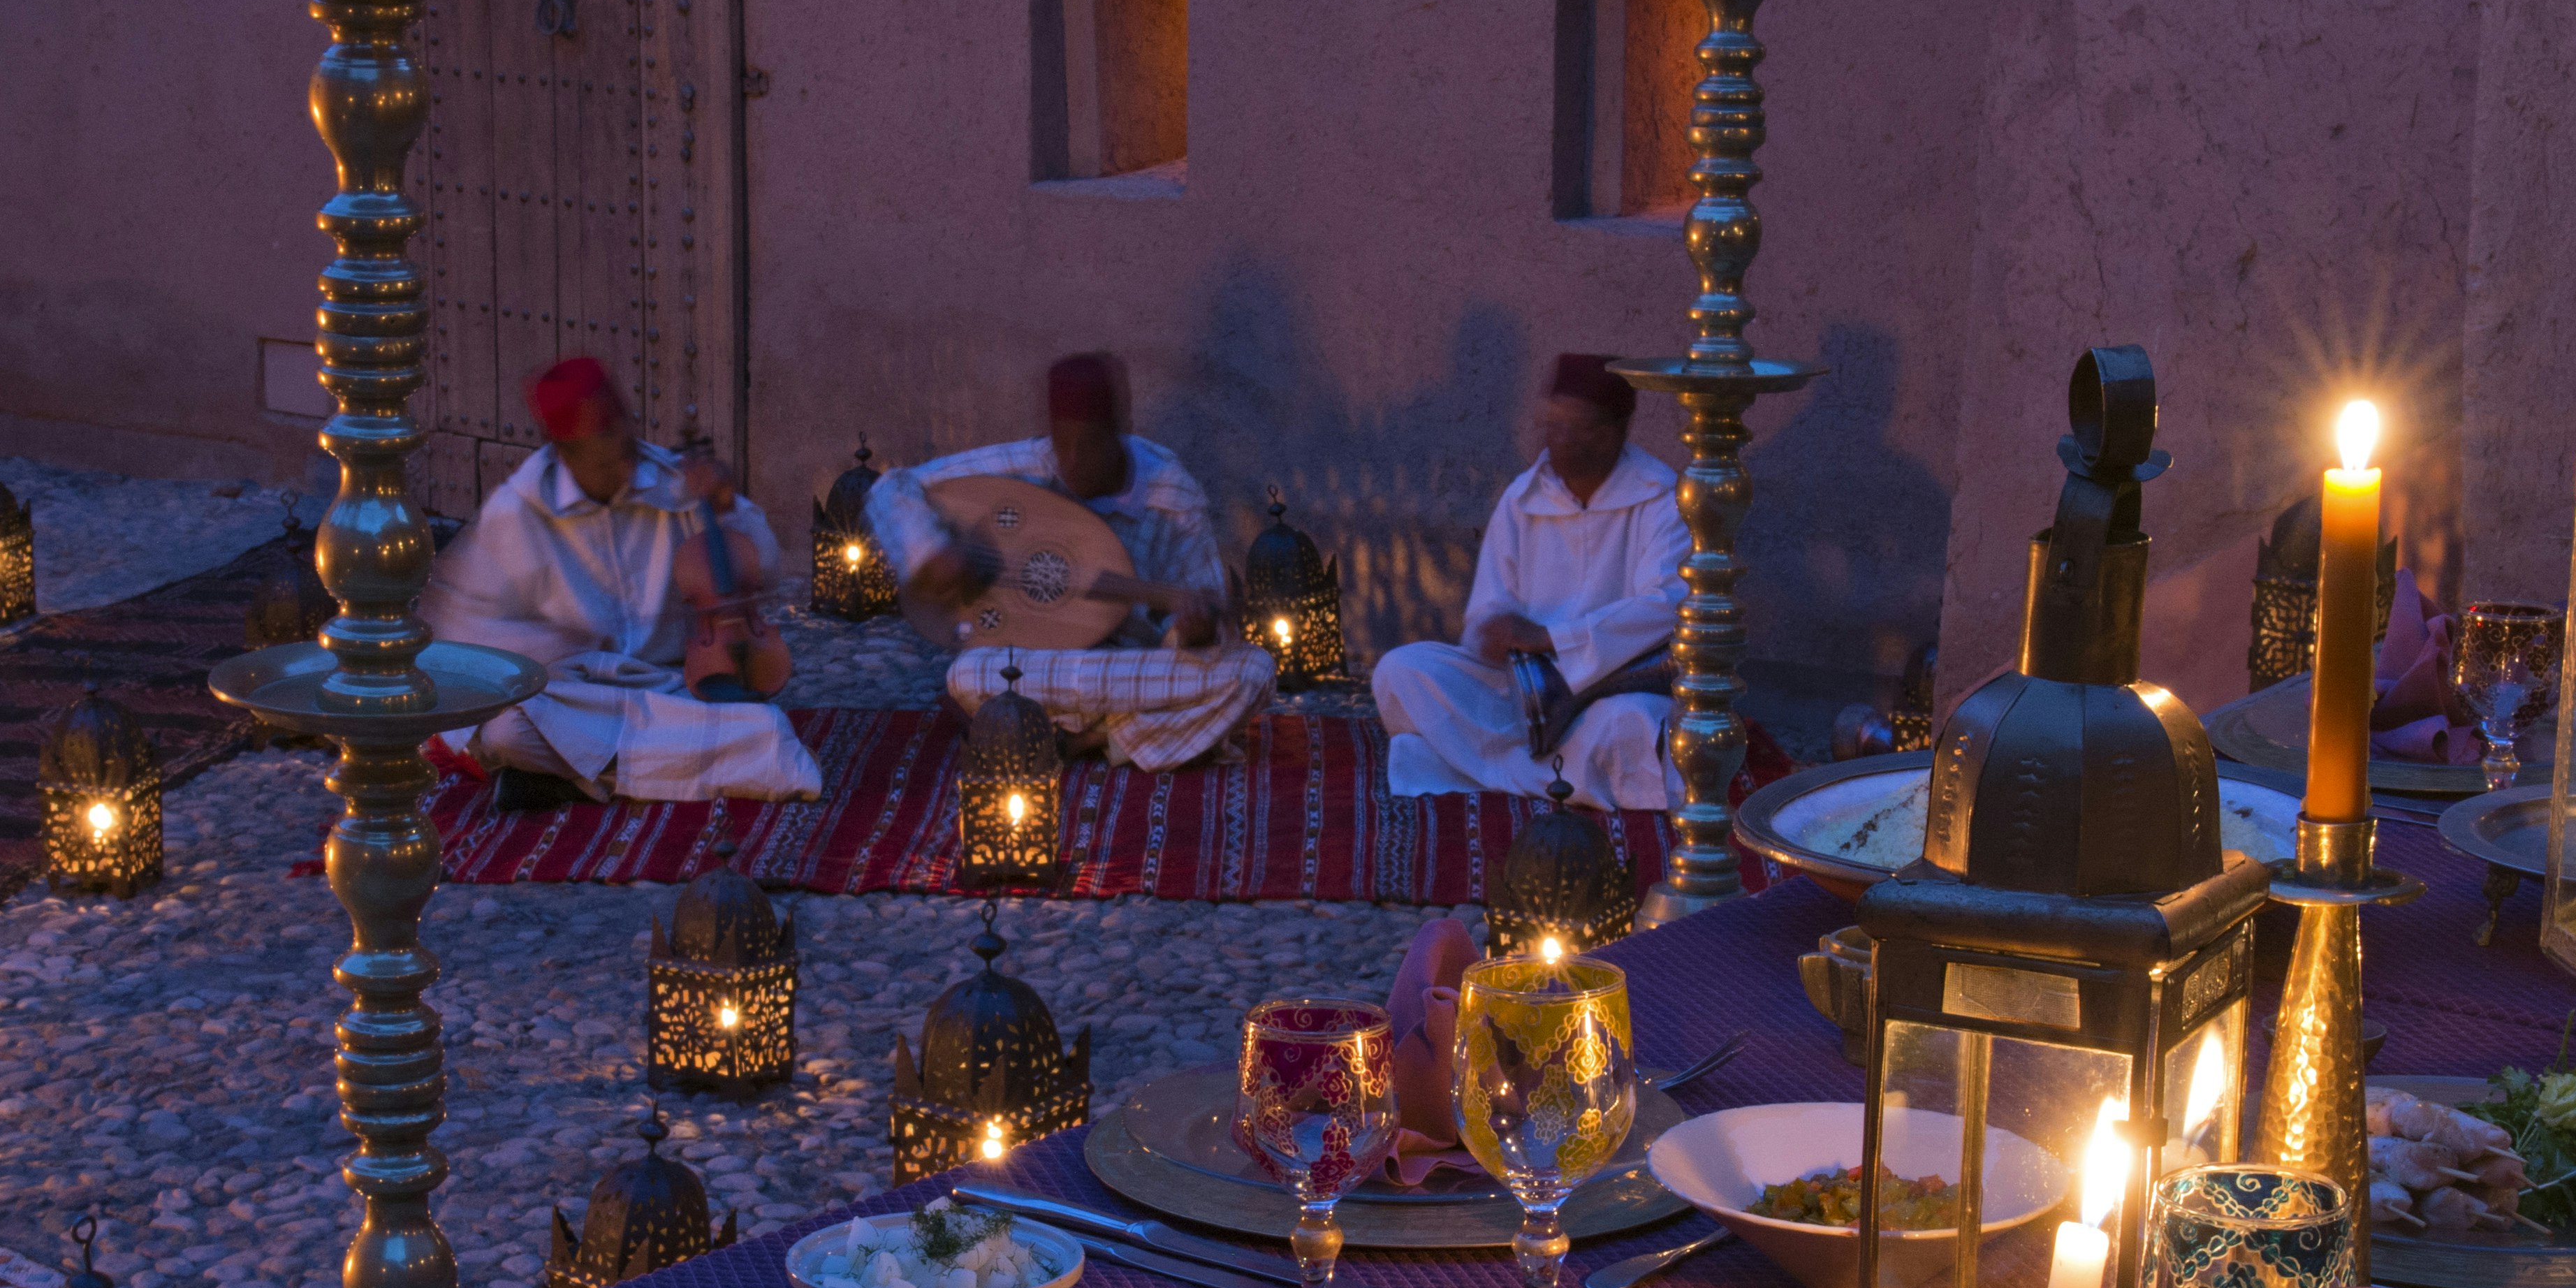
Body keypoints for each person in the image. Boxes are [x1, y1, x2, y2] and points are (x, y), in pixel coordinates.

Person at [420, 356, 819, 804]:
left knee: (763, 727)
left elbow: (761, 571)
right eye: (605, 442)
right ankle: (645, 774)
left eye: (623, 431)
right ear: (567, 452)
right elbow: (461, 636)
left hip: (672, 689)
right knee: (504, 734)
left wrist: (728, 509)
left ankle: (573, 778)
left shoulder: (675, 484)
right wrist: (550, 643)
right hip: (573, 697)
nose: (626, 454)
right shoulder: (517, 514)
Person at [864, 351, 1275, 769]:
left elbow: (1202, 634)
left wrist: (1194, 630)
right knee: (967, 675)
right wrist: (931, 552)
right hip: (1036, 660)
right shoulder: (1031, 466)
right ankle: (1138, 732)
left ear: (1122, 432)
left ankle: (1078, 738)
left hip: (1131, 666)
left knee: (1253, 672)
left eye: (1091, 445)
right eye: (1062, 444)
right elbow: (890, 488)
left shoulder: (1172, 498)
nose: (1072, 461)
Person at [1368, 354, 1688, 805]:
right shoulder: (1522, 499)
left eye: (1580, 428)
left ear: (1618, 428)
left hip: (1611, 692)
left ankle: (1482, 769)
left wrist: (1553, 638)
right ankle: (1558, 779)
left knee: (1632, 725)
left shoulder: (1662, 498)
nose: (1562, 441)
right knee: (1399, 672)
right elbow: (1487, 614)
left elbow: (1667, 605)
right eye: (1553, 426)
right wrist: (1492, 633)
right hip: (1524, 693)